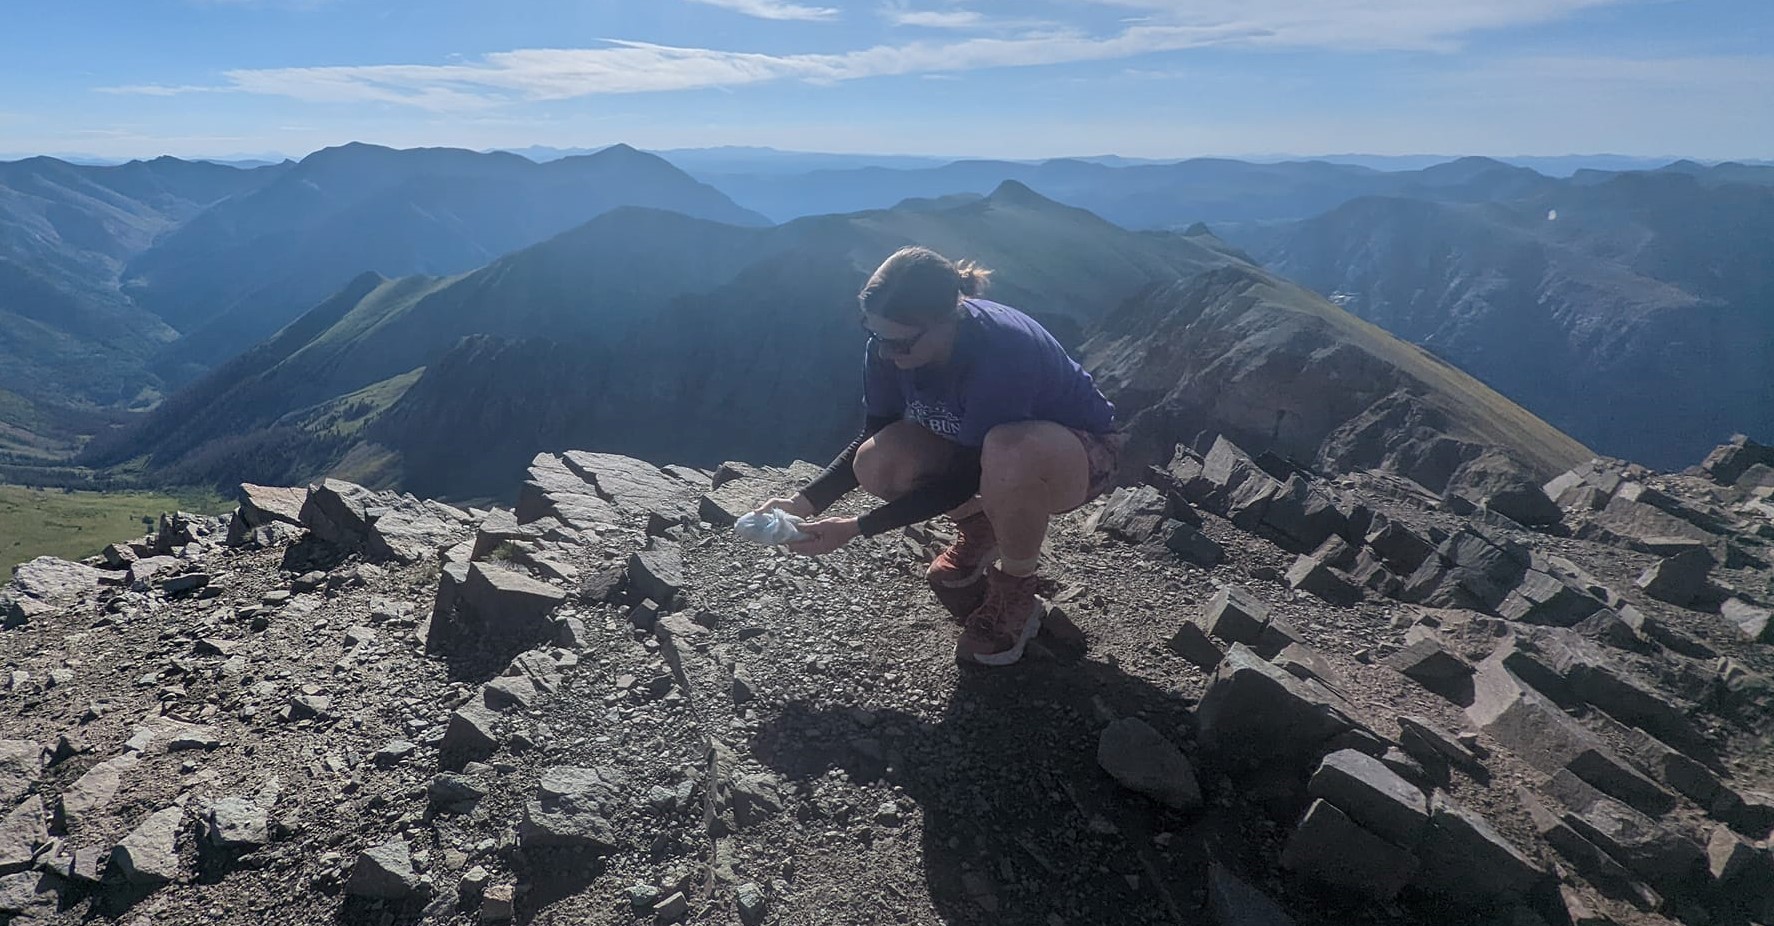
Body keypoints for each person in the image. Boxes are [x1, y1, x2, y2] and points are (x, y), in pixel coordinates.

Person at [751, 246, 1125, 667]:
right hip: (984, 454)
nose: (886, 354)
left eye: (899, 343)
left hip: (1079, 457)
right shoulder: (889, 346)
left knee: (1007, 450)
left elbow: (964, 478)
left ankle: (1017, 592)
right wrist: (803, 503)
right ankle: (982, 528)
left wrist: (855, 528)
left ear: (946, 321)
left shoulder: (1001, 352)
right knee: (878, 460)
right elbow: (877, 433)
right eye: (872, 334)